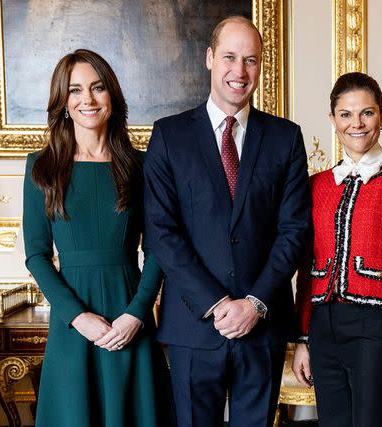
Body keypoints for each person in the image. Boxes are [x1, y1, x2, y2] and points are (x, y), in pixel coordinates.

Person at [143, 16, 311, 427]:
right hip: (193, 326)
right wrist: (217, 304)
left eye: (251, 60)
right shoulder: (169, 135)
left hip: (262, 324)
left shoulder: (285, 137)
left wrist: (254, 303)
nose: (240, 71)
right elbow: (161, 234)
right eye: (230, 58)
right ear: (209, 58)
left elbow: (294, 231)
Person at [23, 49, 172, 427]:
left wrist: (137, 314)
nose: (87, 99)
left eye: (97, 88)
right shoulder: (40, 168)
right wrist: (77, 317)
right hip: (73, 326)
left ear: (112, 97)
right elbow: (37, 255)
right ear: (63, 102)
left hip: (130, 317)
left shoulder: (142, 166)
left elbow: (157, 250)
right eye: (75, 90)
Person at [291, 72, 382, 427]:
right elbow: (306, 269)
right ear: (332, 119)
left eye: (367, 113)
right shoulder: (318, 186)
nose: (356, 124)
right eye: (345, 114)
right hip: (324, 328)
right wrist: (303, 338)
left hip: (378, 327)